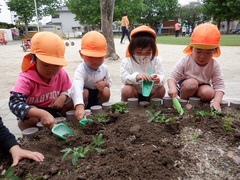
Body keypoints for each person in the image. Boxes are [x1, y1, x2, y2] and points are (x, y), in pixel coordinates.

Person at [9, 32, 73, 131]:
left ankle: (66, 125)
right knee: (28, 120)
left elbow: (69, 89)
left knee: (73, 101)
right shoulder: (26, 79)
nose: (51, 70)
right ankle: (33, 137)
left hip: (54, 108)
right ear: (34, 59)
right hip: (35, 114)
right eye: (45, 65)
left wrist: (63, 96)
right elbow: (14, 103)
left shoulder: (61, 73)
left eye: (56, 65)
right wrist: (41, 113)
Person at [167, 23, 224, 111]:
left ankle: (198, 104)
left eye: (208, 52)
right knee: (192, 84)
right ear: (191, 48)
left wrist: (216, 101)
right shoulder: (186, 60)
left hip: (202, 87)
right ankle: (183, 102)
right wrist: (172, 88)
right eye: (198, 51)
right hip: (185, 86)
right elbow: (172, 78)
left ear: (214, 51)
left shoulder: (214, 65)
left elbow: (219, 86)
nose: (202, 56)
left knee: (209, 93)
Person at [71, 31, 112, 120]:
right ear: (81, 54)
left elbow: (110, 82)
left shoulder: (104, 68)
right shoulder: (81, 70)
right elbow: (76, 87)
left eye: (99, 57)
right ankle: (83, 110)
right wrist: (79, 105)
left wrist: (105, 83)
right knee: (84, 92)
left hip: (98, 95)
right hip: (86, 97)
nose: (95, 61)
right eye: (91, 57)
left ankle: (102, 108)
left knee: (106, 90)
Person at [120, 25, 166, 102]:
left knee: (161, 89)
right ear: (131, 48)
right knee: (126, 90)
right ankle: (132, 107)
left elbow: (162, 76)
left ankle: (152, 105)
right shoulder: (127, 61)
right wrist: (136, 77)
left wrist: (158, 79)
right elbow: (124, 78)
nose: (143, 55)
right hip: (134, 92)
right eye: (138, 52)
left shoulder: (156, 60)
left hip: (150, 91)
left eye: (148, 52)